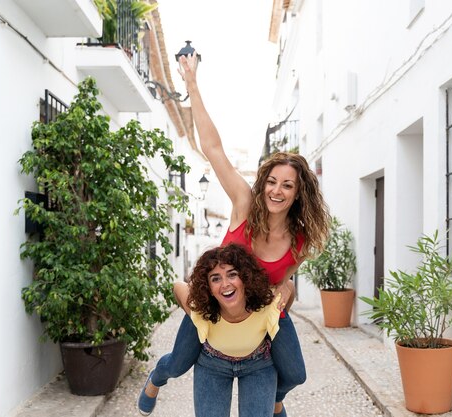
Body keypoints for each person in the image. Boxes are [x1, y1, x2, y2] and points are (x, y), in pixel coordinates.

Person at [138, 52, 331, 417]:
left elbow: (281, 286)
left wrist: (284, 295)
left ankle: (277, 399)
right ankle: (156, 378)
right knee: (178, 363)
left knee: (296, 373)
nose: (276, 190)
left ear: (298, 192)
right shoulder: (244, 204)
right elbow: (213, 149)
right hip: (214, 314)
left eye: (286, 185)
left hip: (257, 331)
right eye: (271, 181)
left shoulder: (301, 242)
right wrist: (192, 84)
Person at [176, 243, 281, 417]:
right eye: (215, 278)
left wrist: (279, 320)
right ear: (208, 287)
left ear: (245, 277)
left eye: (232, 274)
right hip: (212, 363)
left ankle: (277, 401)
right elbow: (178, 287)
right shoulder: (204, 309)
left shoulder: (265, 301)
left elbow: (290, 289)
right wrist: (191, 315)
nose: (225, 284)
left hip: (258, 364)